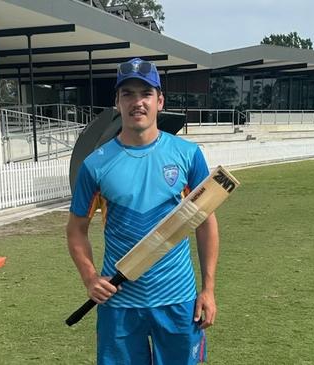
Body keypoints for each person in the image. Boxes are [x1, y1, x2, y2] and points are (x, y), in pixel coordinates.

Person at [67, 58, 220, 364]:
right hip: (120, 303)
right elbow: (76, 229)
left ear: (159, 101)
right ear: (117, 102)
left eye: (145, 94)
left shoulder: (187, 155)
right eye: (128, 94)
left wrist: (208, 289)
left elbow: (205, 222)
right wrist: (89, 277)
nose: (137, 102)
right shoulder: (95, 165)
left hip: (178, 301)